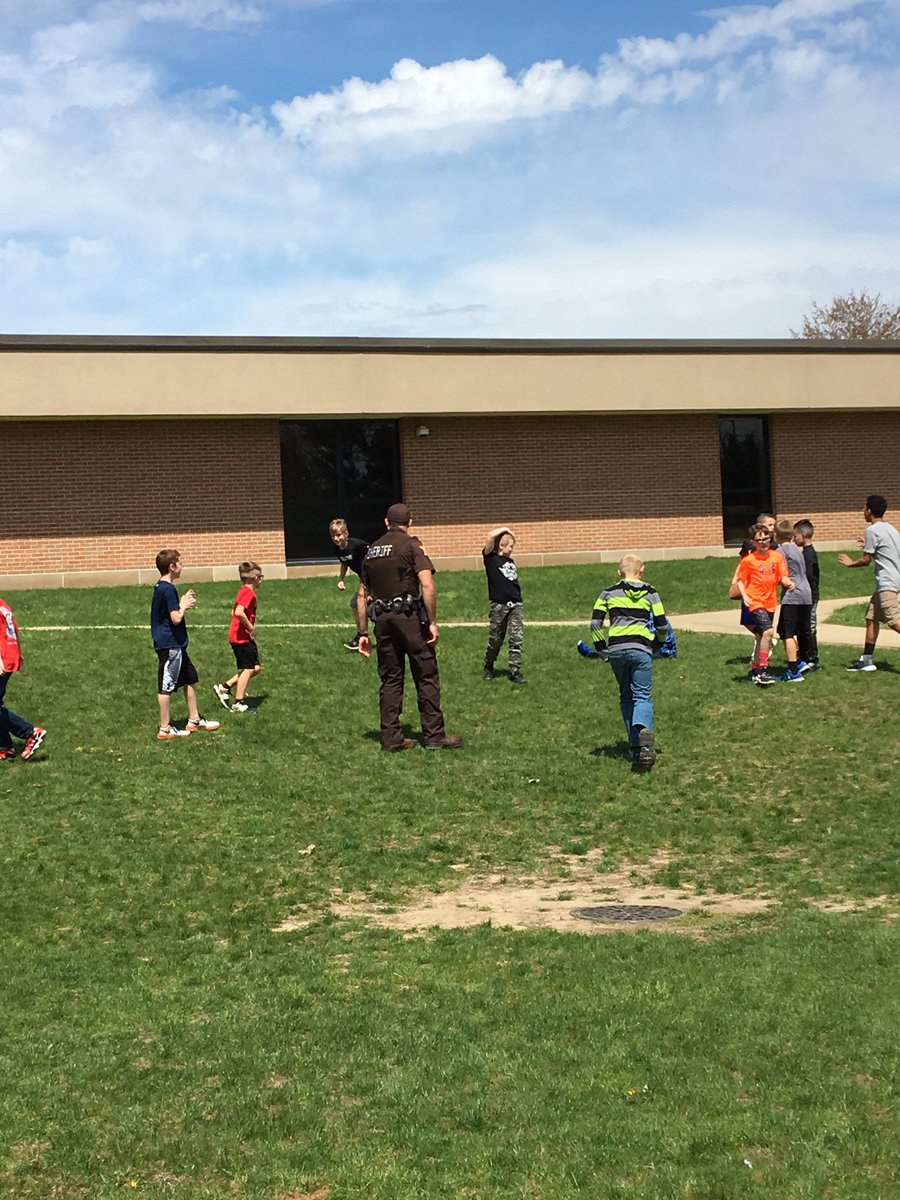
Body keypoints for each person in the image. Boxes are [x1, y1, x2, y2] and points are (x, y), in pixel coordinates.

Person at [355, 503, 462, 751]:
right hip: (409, 619)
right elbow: (427, 584)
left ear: (386, 522)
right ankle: (434, 735)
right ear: (409, 523)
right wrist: (432, 622)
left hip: (382, 621)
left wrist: (362, 633)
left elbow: (362, 596)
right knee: (426, 673)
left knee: (391, 679)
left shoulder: (371, 552)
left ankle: (392, 738)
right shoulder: (411, 545)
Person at [589, 555, 669, 769]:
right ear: (641, 571)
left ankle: (634, 745)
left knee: (626, 695)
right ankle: (644, 736)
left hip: (616, 650)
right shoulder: (651, 593)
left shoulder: (607, 593)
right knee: (642, 694)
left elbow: (595, 623)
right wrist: (657, 645)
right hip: (641, 649)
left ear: (619, 572)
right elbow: (662, 626)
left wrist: (601, 649)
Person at [151, 549, 220, 740]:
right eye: (179, 563)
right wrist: (184, 605)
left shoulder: (161, 587)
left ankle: (194, 720)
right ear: (172, 567)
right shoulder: (168, 589)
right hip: (170, 645)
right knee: (166, 685)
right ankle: (165, 729)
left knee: (190, 678)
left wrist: (182, 601)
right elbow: (176, 618)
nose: (182, 566)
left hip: (178, 645)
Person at [839, 494, 900, 672]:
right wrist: (868, 544)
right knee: (871, 617)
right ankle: (867, 660)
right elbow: (885, 549)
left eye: (864, 508)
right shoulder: (890, 529)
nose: (863, 511)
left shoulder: (872, 531)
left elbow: (866, 560)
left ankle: (867, 660)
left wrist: (851, 563)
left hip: (887, 583)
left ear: (870, 510)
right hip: (893, 579)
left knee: (893, 620)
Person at [732, 523, 794, 686]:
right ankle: (763, 670)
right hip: (755, 601)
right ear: (753, 542)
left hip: (770, 602)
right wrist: (745, 596)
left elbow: (783, 575)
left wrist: (788, 582)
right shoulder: (749, 560)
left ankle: (754, 669)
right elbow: (739, 581)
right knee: (768, 632)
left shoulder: (777, 557)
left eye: (766, 539)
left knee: (761, 637)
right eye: (759, 540)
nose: (764, 542)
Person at [0, 596, 46, 761]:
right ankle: (5, 746)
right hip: (11, 656)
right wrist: (19, 653)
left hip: (2, 658)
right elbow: (13, 631)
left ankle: (30, 733)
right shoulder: (4, 605)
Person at [214, 562, 263, 713]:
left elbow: (233, 611)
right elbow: (239, 612)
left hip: (241, 636)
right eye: (260, 577)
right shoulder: (249, 593)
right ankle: (238, 703)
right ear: (255, 578)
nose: (261, 580)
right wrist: (250, 627)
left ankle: (224, 687)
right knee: (248, 668)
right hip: (241, 638)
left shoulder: (243, 591)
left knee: (255, 668)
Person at [481, 525, 525, 684]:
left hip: (516, 605)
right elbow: (490, 536)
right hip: (499, 605)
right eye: (511, 546)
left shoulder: (510, 561)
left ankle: (515, 670)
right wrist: (506, 529)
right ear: (502, 546)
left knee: (516, 638)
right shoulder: (491, 559)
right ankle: (488, 666)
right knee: (495, 639)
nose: (513, 549)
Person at [773, 519, 812, 682]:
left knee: (787, 633)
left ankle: (793, 671)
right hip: (806, 594)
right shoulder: (798, 550)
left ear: (776, 535)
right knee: (796, 630)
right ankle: (800, 661)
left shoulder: (781, 551)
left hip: (793, 595)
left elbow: (778, 573)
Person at [329, 518, 369, 651]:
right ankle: (362, 635)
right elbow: (344, 563)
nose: (336, 538)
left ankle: (363, 636)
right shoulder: (338, 550)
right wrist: (341, 579)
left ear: (346, 534)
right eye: (333, 535)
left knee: (359, 603)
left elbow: (373, 552)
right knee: (355, 604)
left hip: (370, 575)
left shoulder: (357, 545)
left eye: (339, 535)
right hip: (362, 577)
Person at [795, 519, 821, 670]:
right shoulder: (806, 552)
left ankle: (812, 658)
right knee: (805, 626)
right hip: (807, 595)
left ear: (803, 535)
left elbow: (809, 576)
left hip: (810, 596)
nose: (794, 539)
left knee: (809, 627)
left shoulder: (808, 554)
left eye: (796, 536)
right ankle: (805, 656)